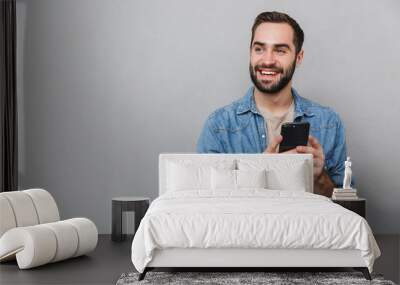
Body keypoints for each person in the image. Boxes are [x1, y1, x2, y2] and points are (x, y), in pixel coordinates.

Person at [197, 11, 348, 197]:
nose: (267, 61)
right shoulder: (219, 126)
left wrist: (319, 177)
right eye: (259, 49)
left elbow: (346, 209)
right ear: (250, 52)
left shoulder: (328, 123)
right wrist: (262, 172)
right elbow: (206, 206)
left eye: (280, 50)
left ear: (298, 57)